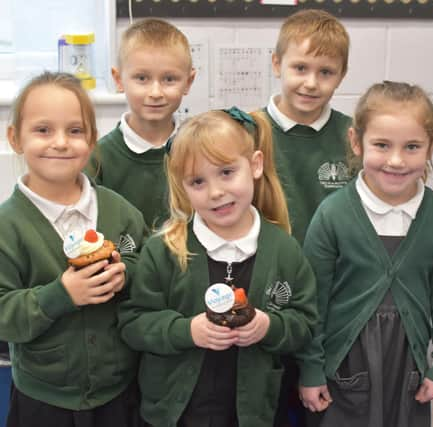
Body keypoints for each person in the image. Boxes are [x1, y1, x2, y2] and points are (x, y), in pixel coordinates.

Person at [118, 108, 318, 427]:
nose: (215, 192)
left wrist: (269, 326)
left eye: (226, 172)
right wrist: (187, 330)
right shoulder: (164, 250)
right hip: (175, 412)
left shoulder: (284, 250)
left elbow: (305, 324)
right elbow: (133, 323)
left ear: (254, 165)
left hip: (253, 413)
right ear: (183, 187)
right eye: (198, 181)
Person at [299, 81, 433, 427]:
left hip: (408, 366)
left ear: (430, 147)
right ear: (357, 143)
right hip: (344, 365)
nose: (396, 160)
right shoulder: (333, 215)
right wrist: (311, 369)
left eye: (413, 146)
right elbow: (311, 302)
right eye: (382, 145)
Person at [0, 71, 147, 427]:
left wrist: (127, 273)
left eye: (75, 131)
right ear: (15, 138)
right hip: (44, 397)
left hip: (119, 392)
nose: (61, 143)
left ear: (93, 139)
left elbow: (150, 272)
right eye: (43, 130)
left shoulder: (121, 212)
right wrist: (61, 295)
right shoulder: (7, 226)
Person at [86, 18, 196, 230]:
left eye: (169, 79)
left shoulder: (199, 148)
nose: (155, 93)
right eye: (142, 78)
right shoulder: (98, 159)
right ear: (118, 80)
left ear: (188, 82)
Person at [265, 8, 352, 244]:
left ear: (341, 75)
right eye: (300, 68)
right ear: (277, 64)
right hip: (266, 270)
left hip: (334, 271)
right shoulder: (247, 131)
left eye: (325, 72)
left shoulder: (354, 137)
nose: (311, 83)